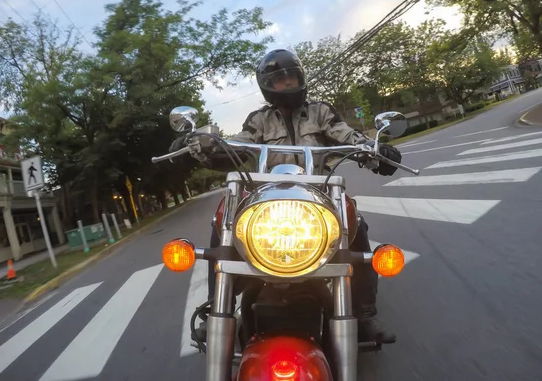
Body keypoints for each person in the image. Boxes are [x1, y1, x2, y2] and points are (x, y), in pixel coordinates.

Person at [169, 49, 403, 345]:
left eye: (291, 77)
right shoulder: (259, 120)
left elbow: (346, 135)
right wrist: (198, 146)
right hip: (268, 202)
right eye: (279, 80)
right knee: (222, 222)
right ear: (267, 86)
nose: (287, 84)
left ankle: (365, 314)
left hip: (319, 201)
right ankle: (220, 308)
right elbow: (236, 146)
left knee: (354, 219)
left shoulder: (320, 112)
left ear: (301, 77)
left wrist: (374, 150)